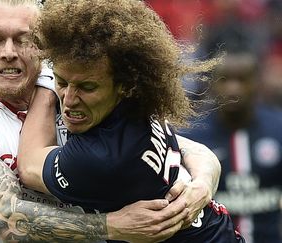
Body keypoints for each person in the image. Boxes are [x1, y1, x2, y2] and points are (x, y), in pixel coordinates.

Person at [0, 0, 225, 242]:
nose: (10, 52)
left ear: (45, 48)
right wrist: (112, 225)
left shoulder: (93, 117)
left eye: (24, 40)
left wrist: (202, 186)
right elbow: (9, 218)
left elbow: (193, 149)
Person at [17, 0, 244, 242]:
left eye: (87, 87)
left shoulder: (102, 158)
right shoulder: (136, 108)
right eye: (62, 82)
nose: (70, 99)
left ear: (124, 86)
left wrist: (44, 80)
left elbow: (29, 166)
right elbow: (198, 150)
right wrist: (204, 182)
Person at [180, 52, 282, 243]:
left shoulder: (278, 128)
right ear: (211, 84)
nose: (233, 89)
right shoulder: (191, 136)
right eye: (224, 80)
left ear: (257, 83)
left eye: (242, 80)